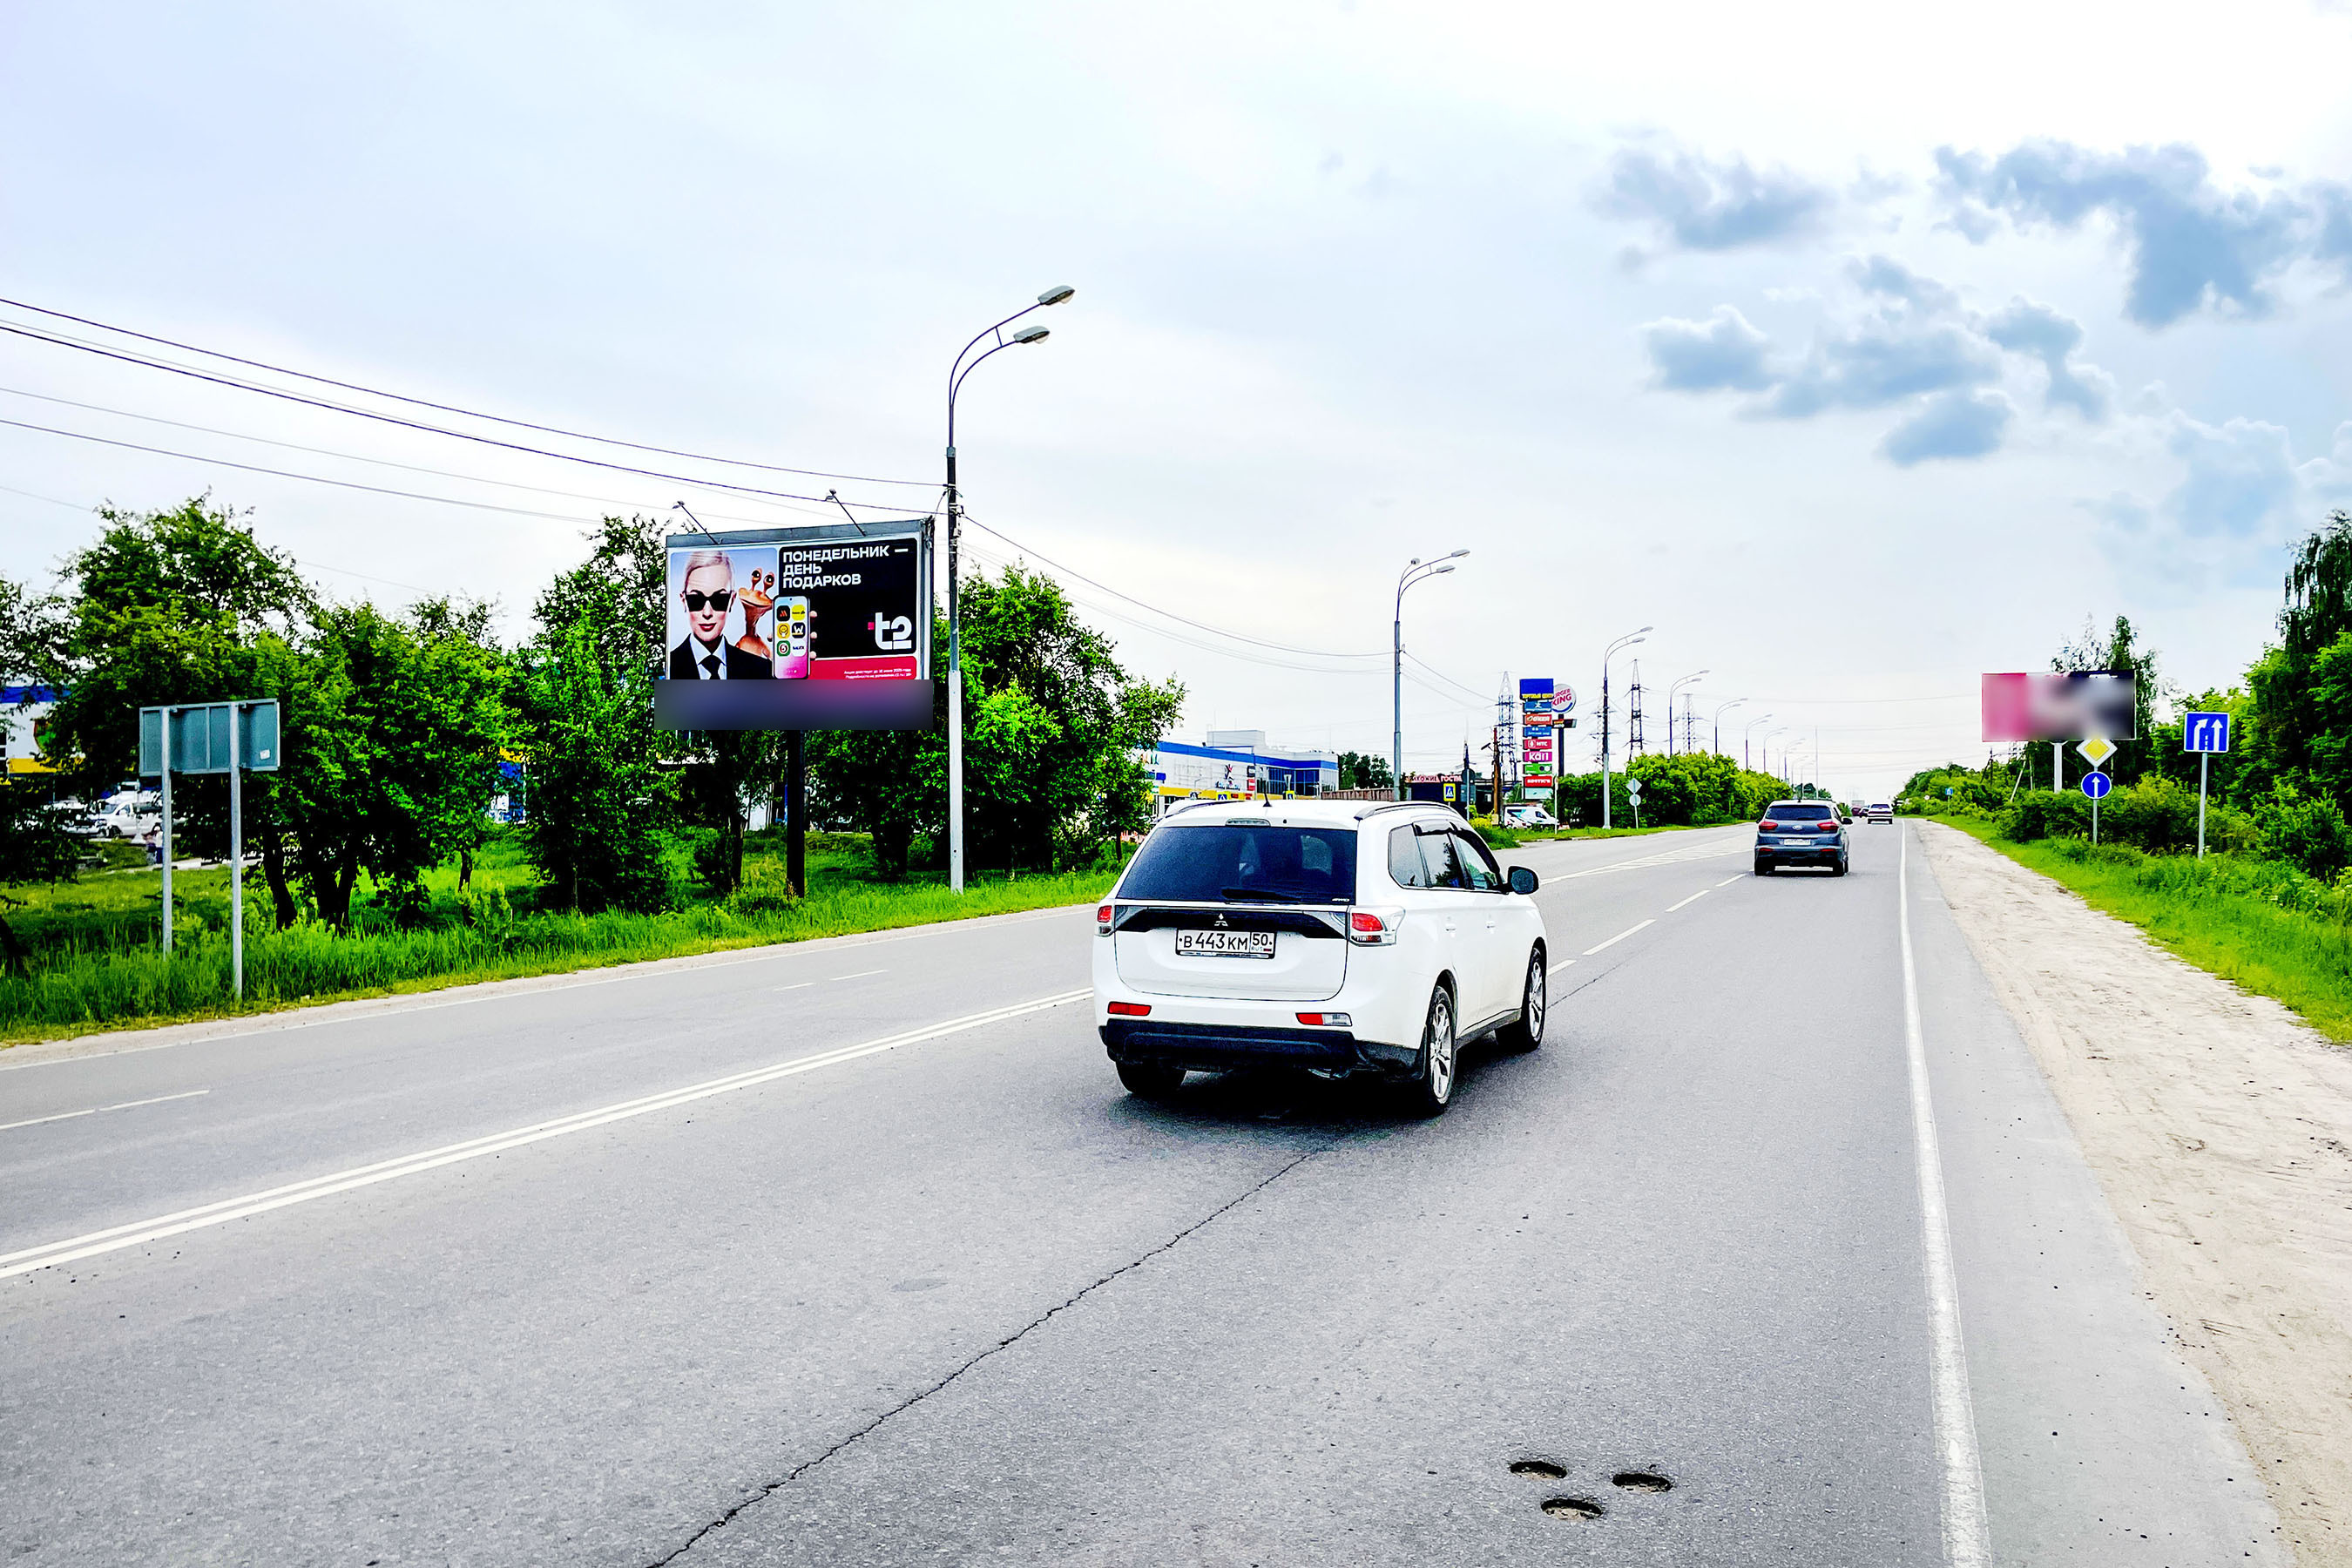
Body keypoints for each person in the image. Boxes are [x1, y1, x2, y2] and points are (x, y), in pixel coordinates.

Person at [667, 551, 774, 679]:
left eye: (719, 600)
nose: (707, 613)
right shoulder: (667, 667)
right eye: (696, 600)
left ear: (732, 601)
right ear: (684, 600)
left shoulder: (761, 669)